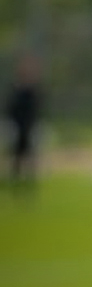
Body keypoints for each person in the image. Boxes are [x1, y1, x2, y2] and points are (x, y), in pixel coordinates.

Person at [6, 54, 43, 197]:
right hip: (18, 125)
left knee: (30, 154)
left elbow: (37, 108)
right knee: (17, 155)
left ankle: (29, 183)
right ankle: (15, 182)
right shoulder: (16, 89)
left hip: (30, 125)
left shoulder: (33, 91)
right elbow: (10, 108)